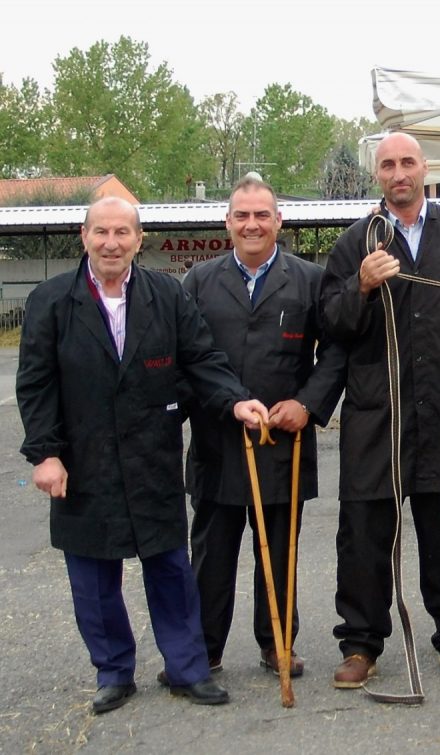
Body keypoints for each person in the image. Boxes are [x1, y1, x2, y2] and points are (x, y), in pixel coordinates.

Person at [17, 197, 271, 714]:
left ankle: (187, 669)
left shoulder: (166, 296)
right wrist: (45, 454)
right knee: (93, 576)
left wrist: (235, 399)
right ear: (83, 236)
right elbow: (36, 383)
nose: (112, 243)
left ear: (139, 239)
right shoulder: (51, 299)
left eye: (122, 233)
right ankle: (113, 672)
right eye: (101, 232)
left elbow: (201, 358)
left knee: (171, 569)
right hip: (82, 459)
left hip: (151, 455)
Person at [320, 132, 440, 687]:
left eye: (407, 162)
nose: (398, 173)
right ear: (376, 175)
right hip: (378, 411)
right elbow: (331, 323)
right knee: (364, 530)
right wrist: (359, 286)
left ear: (425, 168)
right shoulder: (358, 241)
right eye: (387, 165)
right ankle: (360, 644)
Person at [182, 175, 346, 680]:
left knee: (278, 552)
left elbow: (335, 352)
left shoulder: (309, 280)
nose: (251, 225)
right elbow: (189, 360)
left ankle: (277, 642)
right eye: (241, 216)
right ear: (227, 223)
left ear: (279, 221)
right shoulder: (199, 282)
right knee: (211, 557)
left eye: (262, 215)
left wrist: (308, 404)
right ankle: (202, 650)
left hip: (284, 443)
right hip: (218, 442)